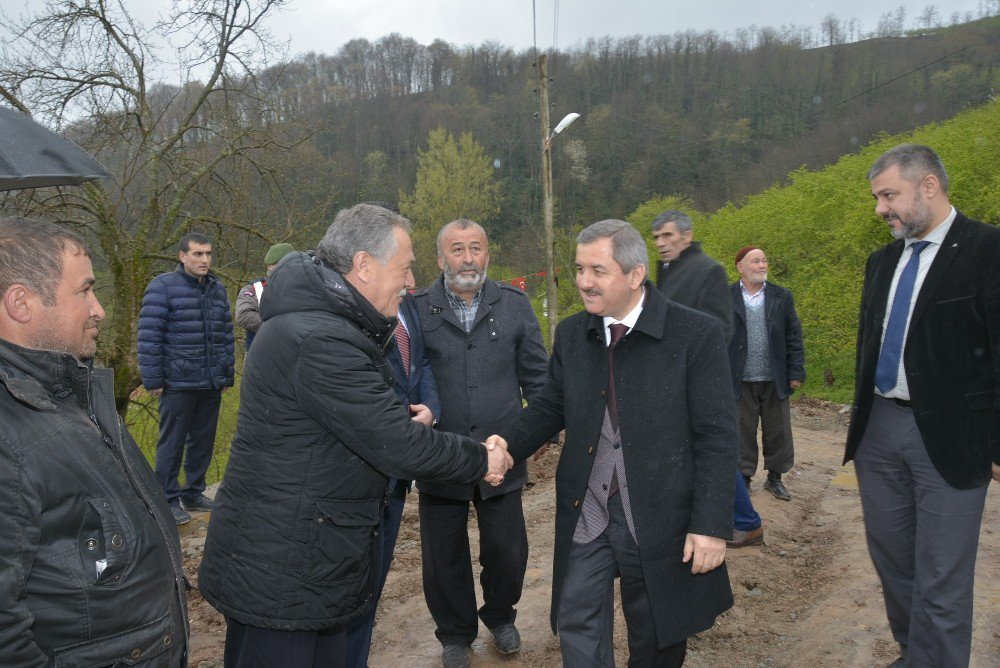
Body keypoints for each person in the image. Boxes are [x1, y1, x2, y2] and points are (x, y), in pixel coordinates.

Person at [197, 204, 512, 668]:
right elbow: (396, 444)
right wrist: (483, 458)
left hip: (306, 560)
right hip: (284, 573)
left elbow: (353, 424)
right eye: (404, 269)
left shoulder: (324, 323)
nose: (410, 284)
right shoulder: (319, 338)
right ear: (363, 265)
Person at [489, 219, 736, 667]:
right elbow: (550, 407)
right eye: (580, 268)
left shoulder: (695, 335)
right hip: (590, 508)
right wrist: (507, 445)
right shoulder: (571, 334)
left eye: (598, 271)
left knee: (658, 633)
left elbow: (717, 436)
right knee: (576, 616)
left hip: (661, 516)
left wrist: (711, 524)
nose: (583, 281)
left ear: (635, 275)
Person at [0, 217, 188, 666]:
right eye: (84, 290)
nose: (99, 308)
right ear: (22, 303)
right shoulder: (10, 435)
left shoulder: (66, 391)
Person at [844, 144, 1000, 667]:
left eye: (889, 195)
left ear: (928, 185)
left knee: (943, 575)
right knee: (894, 562)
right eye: (877, 197)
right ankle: (916, 654)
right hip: (879, 431)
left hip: (952, 438)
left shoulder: (988, 249)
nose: (880, 209)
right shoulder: (880, 260)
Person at [412, 218, 549, 668]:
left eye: (475, 248)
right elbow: (408, 379)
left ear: (488, 254)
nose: (467, 258)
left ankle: (501, 615)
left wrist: (522, 440)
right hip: (440, 456)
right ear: (440, 258)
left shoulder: (514, 304)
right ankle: (455, 634)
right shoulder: (416, 309)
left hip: (501, 453)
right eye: (457, 249)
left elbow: (539, 383)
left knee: (507, 550)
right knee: (443, 554)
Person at [651, 210, 764, 548]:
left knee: (710, 452)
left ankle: (747, 522)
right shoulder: (670, 271)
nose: (660, 243)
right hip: (672, 379)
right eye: (656, 237)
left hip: (698, 382)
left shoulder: (707, 270)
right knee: (688, 452)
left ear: (687, 236)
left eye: (668, 236)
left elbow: (720, 329)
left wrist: (686, 370)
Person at [345, 288, 441, 666]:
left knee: (375, 580)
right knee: (353, 581)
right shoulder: (351, 316)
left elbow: (422, 363)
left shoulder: (406, 304)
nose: (412, 278)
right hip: (365, 466)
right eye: (404, 266)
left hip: (397, 472)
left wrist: (431, 407)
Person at [138, 232, 235, 525]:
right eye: (197, 254)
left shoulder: (217, 289)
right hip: (177, 382)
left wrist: (226, 373)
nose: (204, 259)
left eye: (208, 254)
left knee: (203, 440)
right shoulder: (163, 287)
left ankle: (194, 491)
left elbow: (226, 336)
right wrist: (152, 378)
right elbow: (149, 336)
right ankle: (167, 499)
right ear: (182, 256)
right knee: (172, 442)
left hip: (210, 381)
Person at [728, 246, 805, 502]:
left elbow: (794, 336)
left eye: (764, 260)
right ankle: (744, 478)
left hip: (775, 376)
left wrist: (795, 371)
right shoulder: (725, 297)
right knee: (742, 430)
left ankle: (775, 478)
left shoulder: (781, 296)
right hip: (739, 377)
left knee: (778, 430)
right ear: (740, 266)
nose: (762, 265)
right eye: (756, 261)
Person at [236, 242, 295, 350]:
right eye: (283, 263)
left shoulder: (302, 287)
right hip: (260, 353)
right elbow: (243, 316)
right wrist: (277, 326)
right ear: (270, 265)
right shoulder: (254, 288)